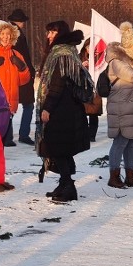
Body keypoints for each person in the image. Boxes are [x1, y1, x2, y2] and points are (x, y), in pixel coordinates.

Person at [35, 21, 90, 203]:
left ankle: (67, 186)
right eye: (48, 31)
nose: (48, 35)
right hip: (67, 107)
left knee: (58, 148)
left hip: (62, 109)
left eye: (52, 32)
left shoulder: (61, 54)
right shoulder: (66, 51)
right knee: (61, 149)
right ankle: (65, 184)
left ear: (60, 33)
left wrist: (47, 108)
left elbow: (57, 83)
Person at [104, 22, 133, 189]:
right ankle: (114, 175)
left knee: (132, 142)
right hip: (122, 108)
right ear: (130, 44)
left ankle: (130, 174)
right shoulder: (117, 60)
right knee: (120, 142)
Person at [0, 20, 31, 147]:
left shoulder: (17, 54)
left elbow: (24, 80)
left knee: (3, 143)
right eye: (3, 34)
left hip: (10, 103)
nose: (6, 37)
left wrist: (22, 68)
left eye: (8, 34)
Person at [9, 9, 36, 145]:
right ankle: (23, 134)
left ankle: (8, 136)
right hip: (21, 71)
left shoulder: (10, 32)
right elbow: (23, 55)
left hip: (14, 72)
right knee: (28, 105)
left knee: (10, 104)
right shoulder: (16, 34)